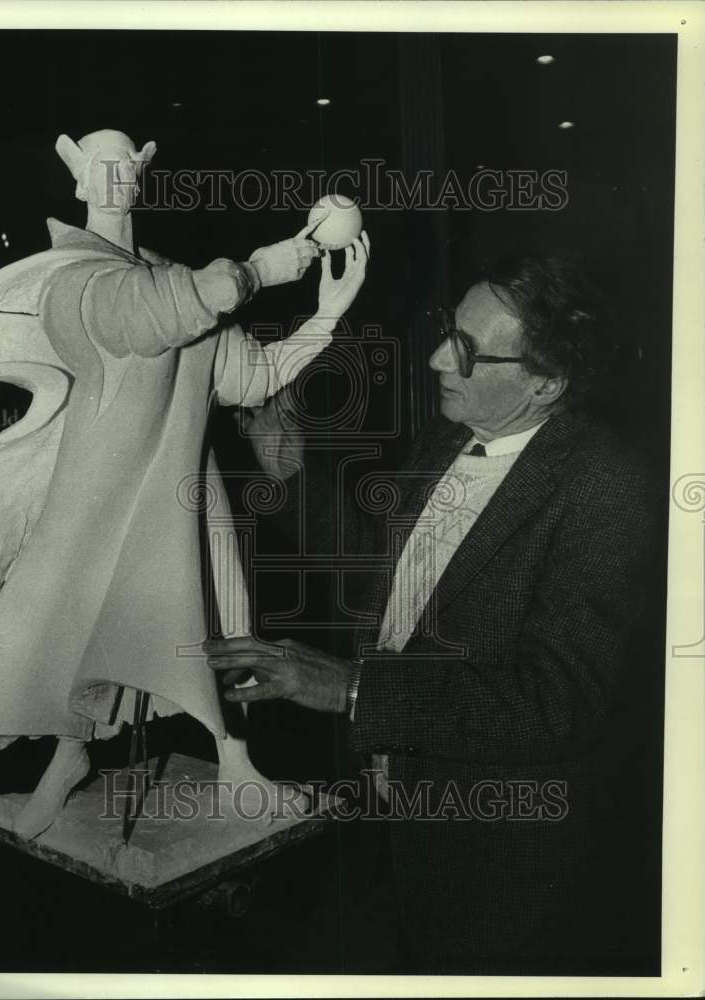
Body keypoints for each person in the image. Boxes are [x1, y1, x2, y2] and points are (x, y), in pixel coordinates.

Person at [0, 129, 370, 840]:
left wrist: (325, 315)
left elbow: (249, 376)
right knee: (70, 636)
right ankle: (66, 760)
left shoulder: (178, 280)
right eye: (102, 166)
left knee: (221, 627)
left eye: (128, 165)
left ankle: (235, 761)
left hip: (186, 503)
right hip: (93, 506)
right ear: (77, 178)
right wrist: (258, 270)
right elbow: (144, 312)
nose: (117, 178)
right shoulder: (78, 279)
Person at [206, 254, 664, 973]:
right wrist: (289, 466)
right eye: (452, 329)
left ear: (547, 383)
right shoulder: (451, 436)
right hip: (408, 815)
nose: (435, 357)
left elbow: (558, 702)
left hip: (508, 862)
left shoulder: (607, 488)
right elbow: (382, 579)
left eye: (470, 351)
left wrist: (352, 690)